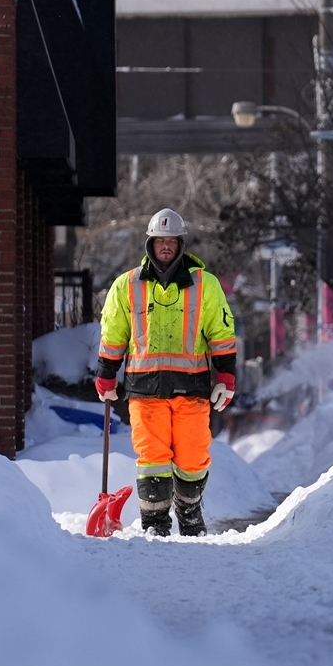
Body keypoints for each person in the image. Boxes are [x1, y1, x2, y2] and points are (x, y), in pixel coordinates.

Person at [94, 208, 236, 537]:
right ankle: (155, 525)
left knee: (192, 456)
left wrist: (226, 378)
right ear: (150, 244)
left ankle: (189, 515)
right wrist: (106, 374)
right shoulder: (126, 286)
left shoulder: (206, 285)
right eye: (160, 241)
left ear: (181, 244)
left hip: (192, 389)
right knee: (152, 457)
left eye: (172, 241)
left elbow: (222, 336)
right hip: (144, 391)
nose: (166, 246)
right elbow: (113, 335)